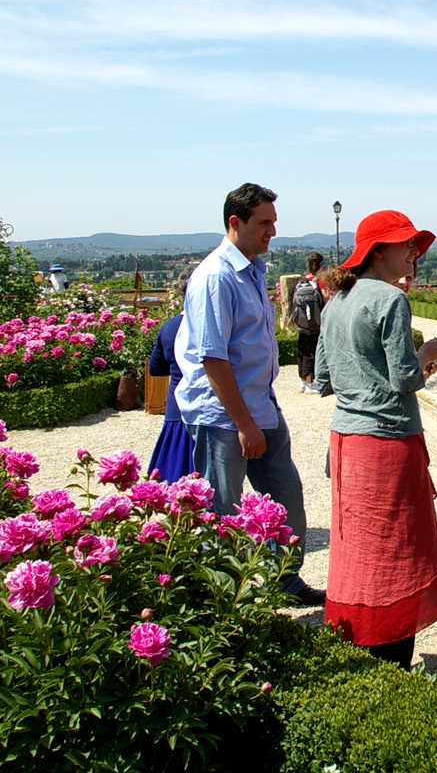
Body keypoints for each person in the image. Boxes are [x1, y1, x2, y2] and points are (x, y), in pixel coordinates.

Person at [313, 210, 437, 670]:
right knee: (396, 550)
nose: (415, 253)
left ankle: (358, 646)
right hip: (388, 440)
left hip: (346, 441)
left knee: (357, 549)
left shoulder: (336, 299)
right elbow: (405, 378)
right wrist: (425, 356)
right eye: (406, 244)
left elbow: (322, 378)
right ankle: (391, 653)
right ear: (378, 250)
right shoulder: (391, 301)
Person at [175, 182, 323, 606]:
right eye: (264, 223)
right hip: (224, 415)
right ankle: (220, 601)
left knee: (286, 495)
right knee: (222, 509)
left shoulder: (251, 270)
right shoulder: (215, 277)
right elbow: (212, 359)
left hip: (260, 406)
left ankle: (284, 582)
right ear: (234, 222)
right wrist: (243, 423)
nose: (272, 231)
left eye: (274, 223)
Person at [146, 271, 194, 484]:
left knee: (174, 478)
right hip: (206, 408)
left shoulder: (170, 327)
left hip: (176, 407)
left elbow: (155, 367)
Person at [293, 252, 326, 394]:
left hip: (301, 321)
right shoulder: (317, 281)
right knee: (312, 350)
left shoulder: (302, 281)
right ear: (321, 266)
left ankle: (302, 380)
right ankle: (310, 381)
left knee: (302, 349)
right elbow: (325, 298)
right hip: (315, 321)